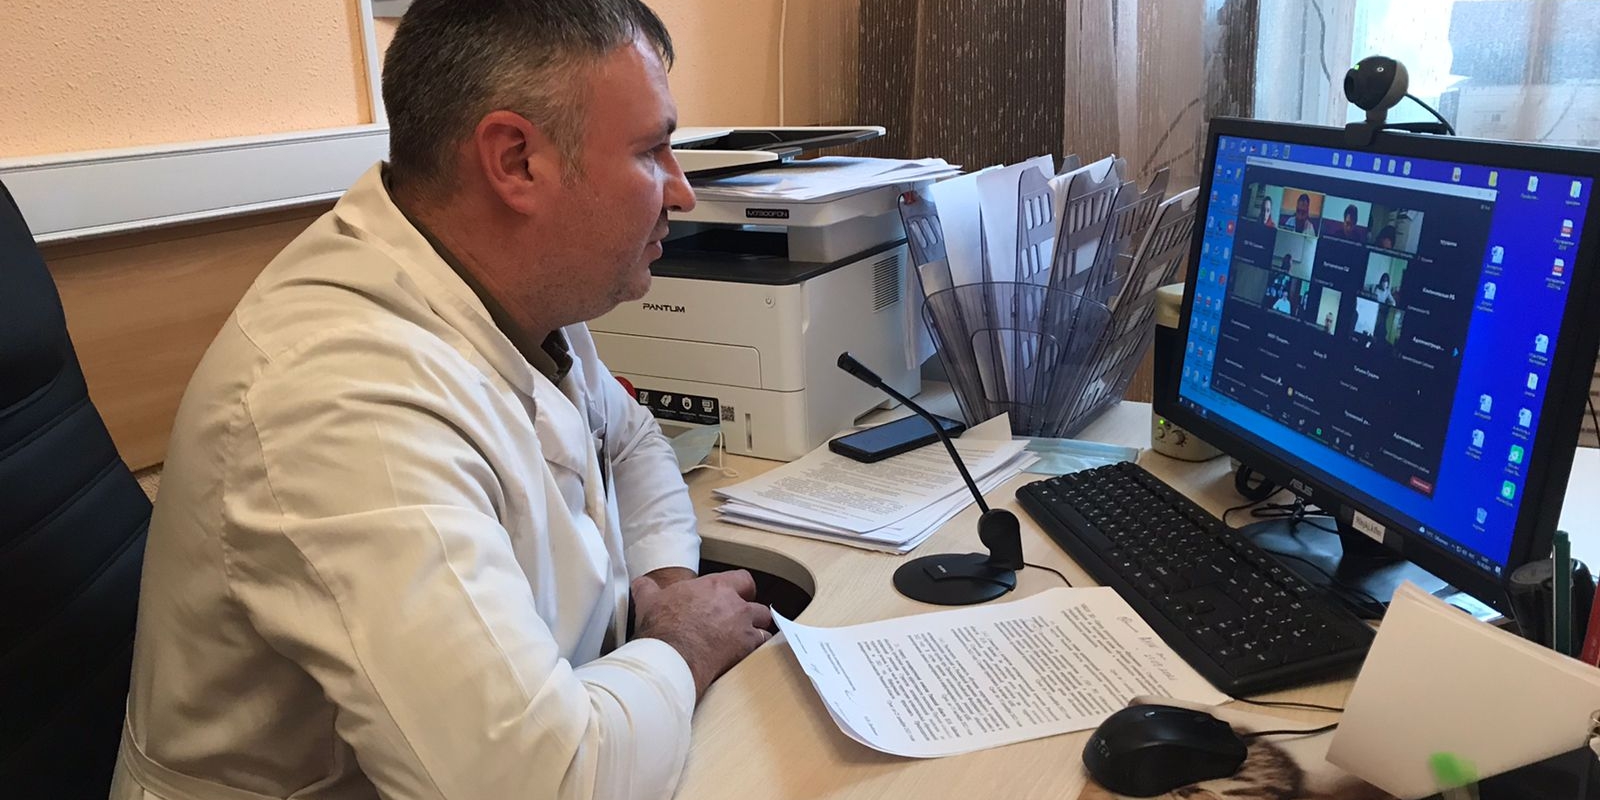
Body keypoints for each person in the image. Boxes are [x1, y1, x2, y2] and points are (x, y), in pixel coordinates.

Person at [112, 3, 772, 799]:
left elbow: (628, 440)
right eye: (650, 151)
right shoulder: (339, 399)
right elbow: (537, 784)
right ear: (516, 160)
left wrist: (667, 589)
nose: (682, 191)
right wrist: (681, 647)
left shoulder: (515, 289)